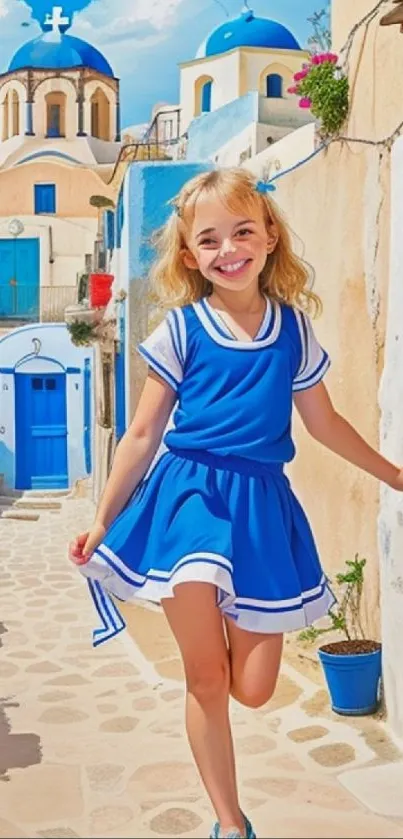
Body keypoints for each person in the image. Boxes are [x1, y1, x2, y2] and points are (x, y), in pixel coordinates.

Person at [69, 168, 403, 839]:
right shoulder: (181, 331)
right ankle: (230, 821)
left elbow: (324, 423)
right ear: (190, 255)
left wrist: (392, 474)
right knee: (205, 677)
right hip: (187, 496)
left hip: (259, 510)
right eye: (210, 238)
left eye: (242, 230)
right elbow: (140, 433)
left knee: (251, 685)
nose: (229, 249)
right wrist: (104, 516)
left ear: (270, 236)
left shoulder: (292, 332)